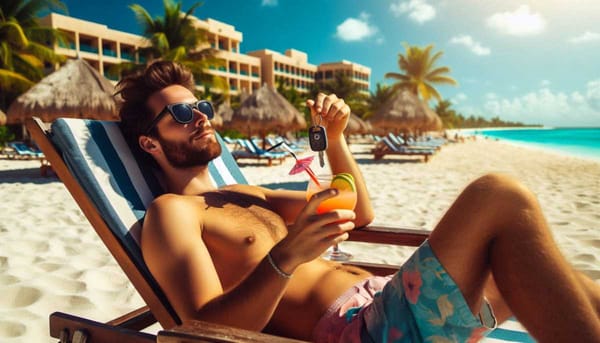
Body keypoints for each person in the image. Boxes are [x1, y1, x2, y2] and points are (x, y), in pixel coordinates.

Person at [117, 61, 600, 342]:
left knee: (559, 272)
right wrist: (285, 257)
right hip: (363, 332)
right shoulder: (170, 214)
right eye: (181, 113)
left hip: (385, 298)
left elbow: (355, 210)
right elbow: (201, 332)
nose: (200, 117)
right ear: (149, 144)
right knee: (498, 195)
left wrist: (336, 137)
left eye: (201, 106)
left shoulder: (243, 194)